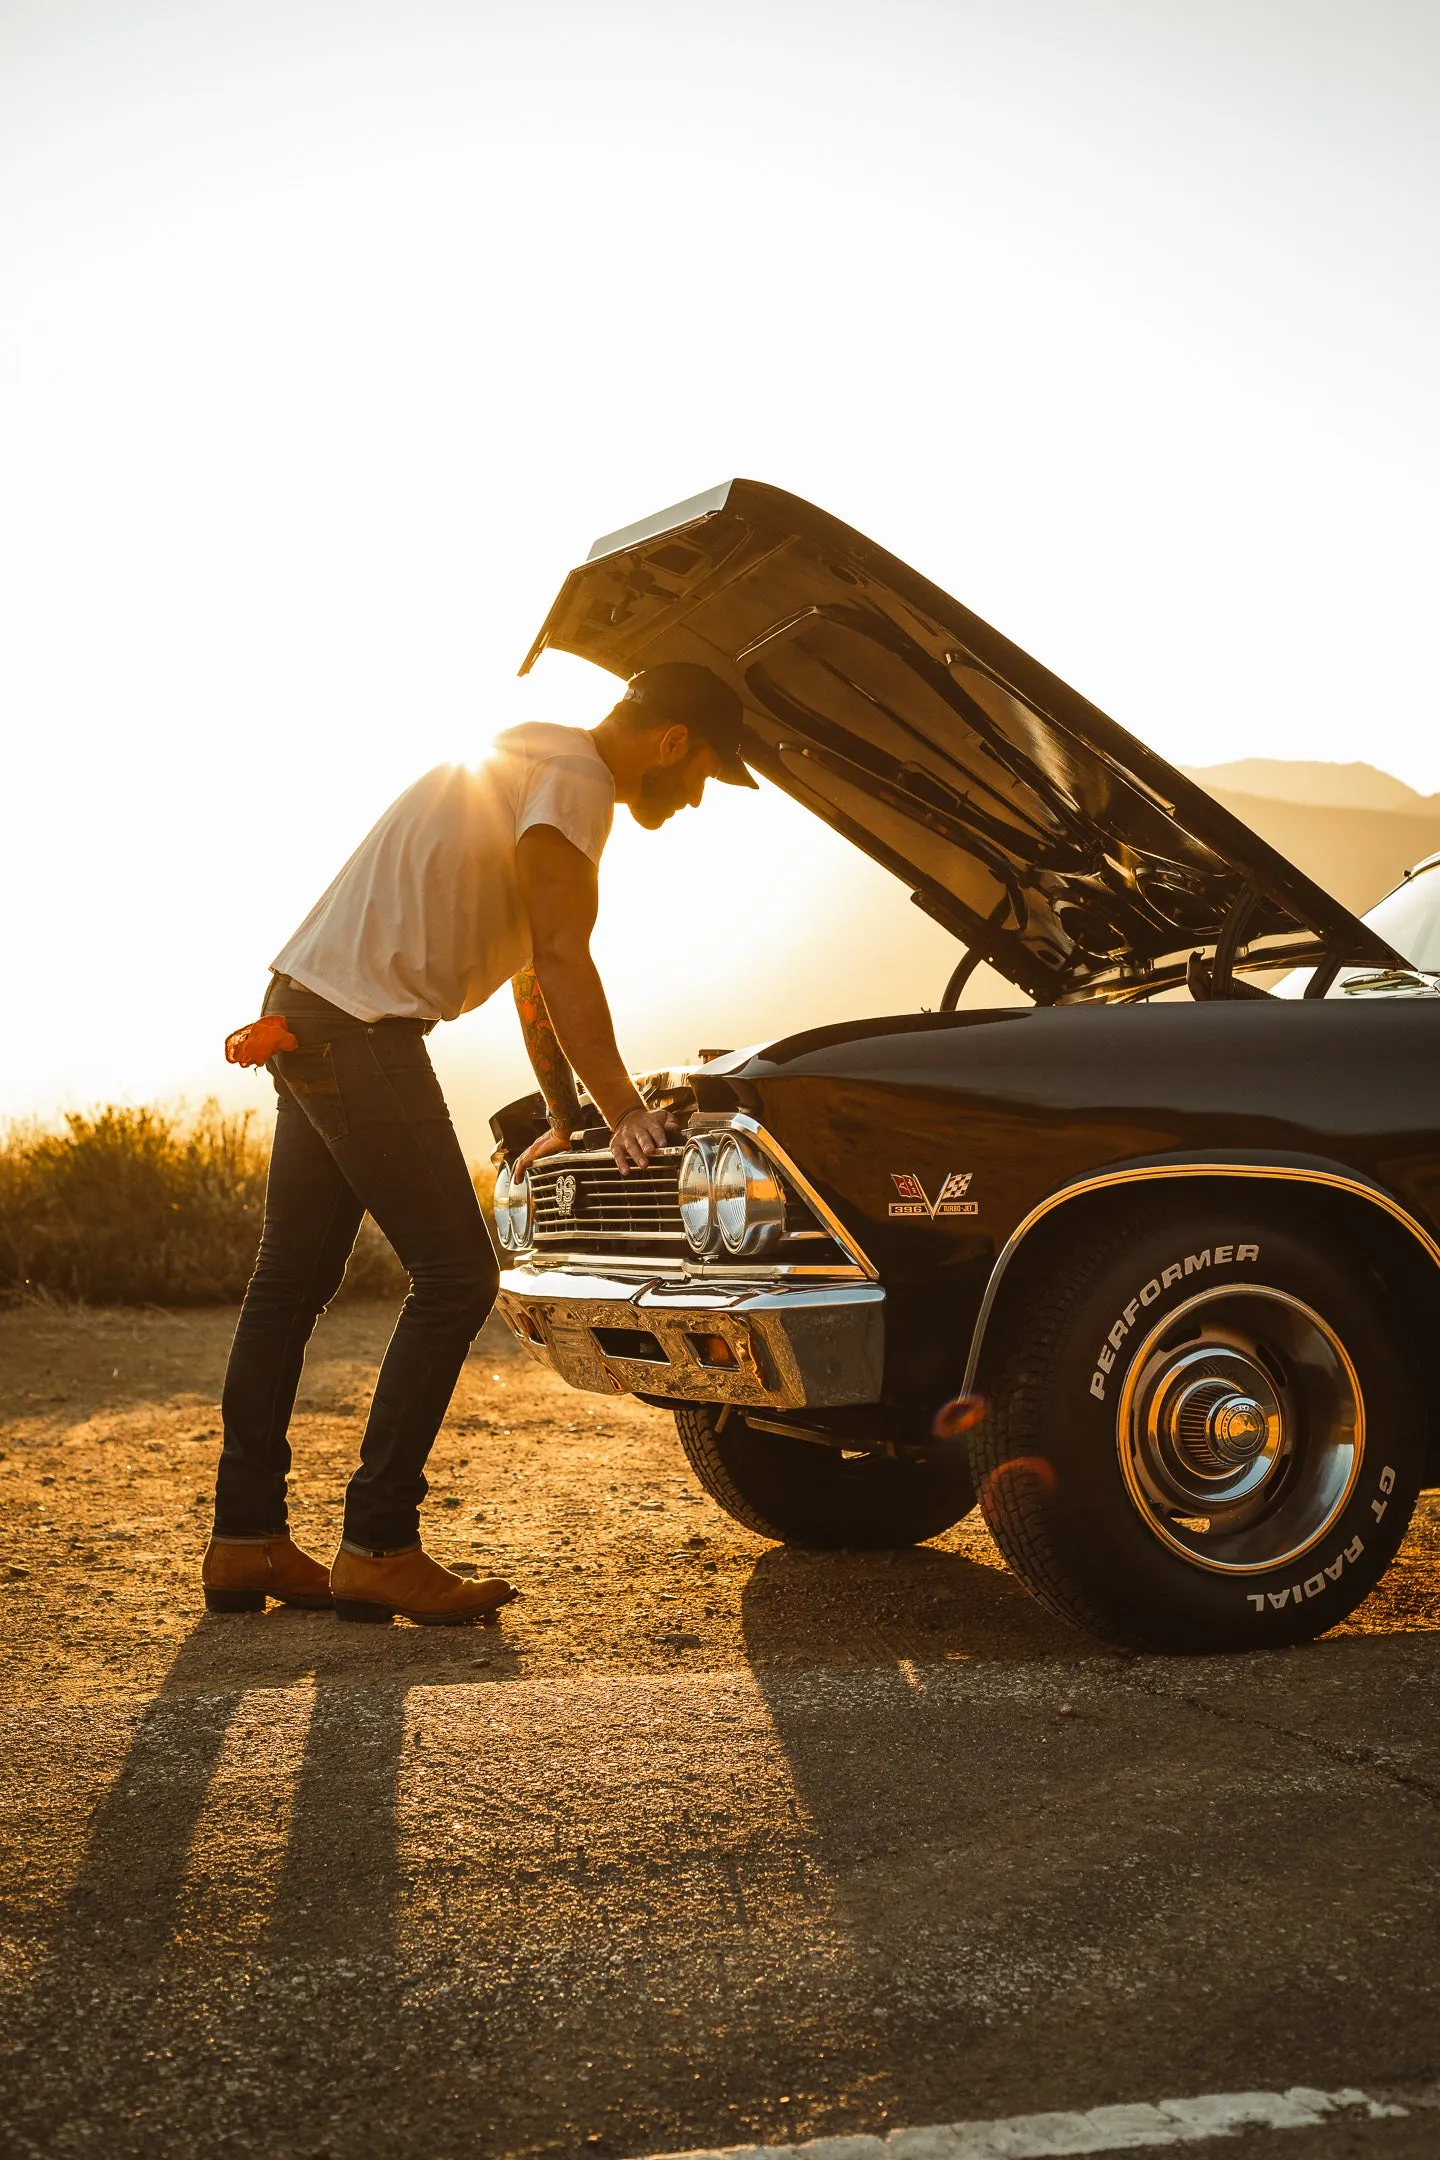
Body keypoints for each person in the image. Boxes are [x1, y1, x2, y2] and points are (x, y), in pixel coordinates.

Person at [202, 662, 756, 1626]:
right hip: (361, 1029)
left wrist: (562, 1111)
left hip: (306, 1009)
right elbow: (562, 953)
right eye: (706, 770)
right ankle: (378, 1545)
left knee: (286, 1284)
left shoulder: (535, 755)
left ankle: (245, 1540)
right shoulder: (581, 782)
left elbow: (531, 975)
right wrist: (625, 1109)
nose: (701, 794)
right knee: (457, 1276)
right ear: (670, 741)